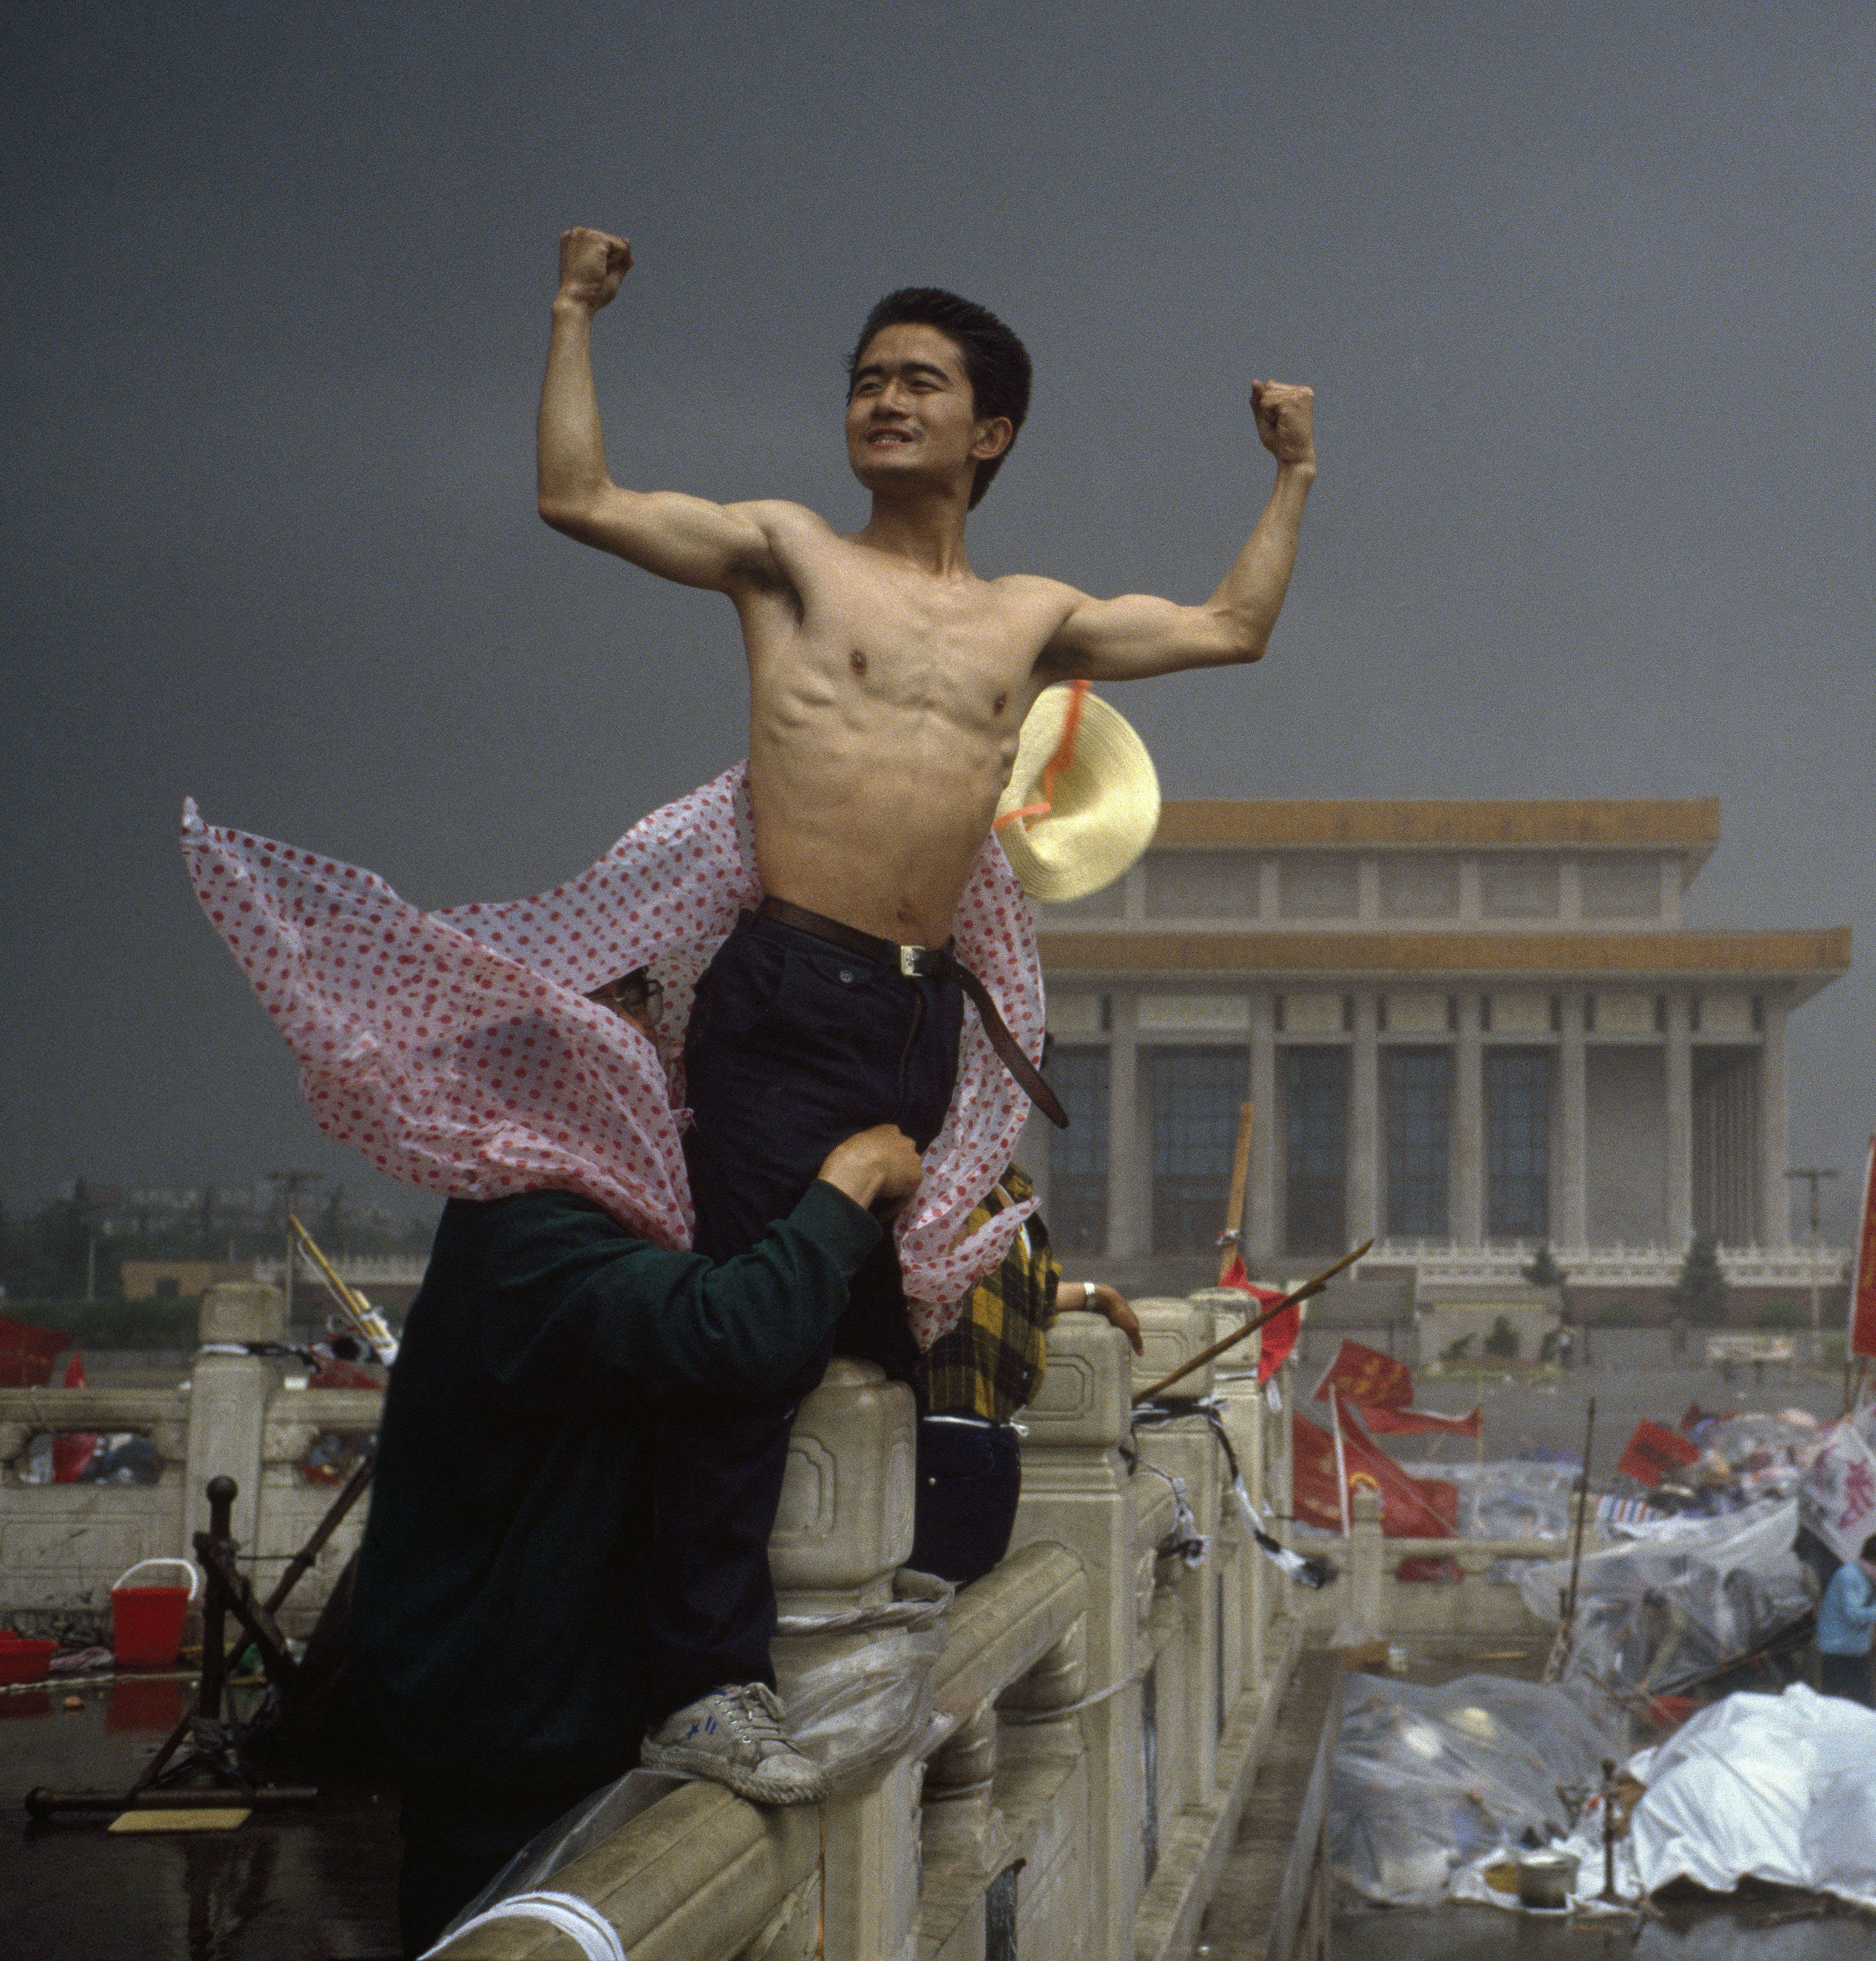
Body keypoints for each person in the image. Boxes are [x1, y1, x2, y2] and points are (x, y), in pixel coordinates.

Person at [533, 226, 1316, 1754]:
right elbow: (580, 497)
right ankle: (701, 1683)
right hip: (787, 988)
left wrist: (1291, 474)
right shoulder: (789, 558)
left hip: (918, 1015)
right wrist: (574, 312)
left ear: (991, 431)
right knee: (754, 1332)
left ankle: (856, 1617)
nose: (884, 402)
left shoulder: (1030, 617)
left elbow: (1233, 629)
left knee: (890, 1325)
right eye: (868, 381)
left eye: (921, 383)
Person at [344, 977, 927, 1952]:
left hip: (539, 1708)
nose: (658, 1055)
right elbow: (737, 1330)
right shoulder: (528, 1230)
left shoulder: (578, 1215)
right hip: (501, 1727)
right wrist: (849, 1180)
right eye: (629, 1019)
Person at [911, 1163, 1143, 1588]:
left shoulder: (1011, 1193)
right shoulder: (935, 1172)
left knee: (976, 1588)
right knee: (936, 1597)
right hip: (942, 1419)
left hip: (995, 1426)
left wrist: (1099, 1295)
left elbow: (1035, 1293)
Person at [1815, 1531, 1876, 1706]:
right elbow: (1855, 1614)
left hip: (1856, 1651)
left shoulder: (1870, 1577)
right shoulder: (1850, 1576)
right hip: (1839, 1651)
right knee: (1841, 1707)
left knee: (1864, 1706)